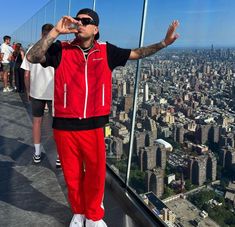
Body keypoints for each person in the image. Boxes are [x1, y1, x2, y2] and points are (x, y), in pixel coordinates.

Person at [26, 8, 179, 227]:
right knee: (72, 174)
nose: (79, 23)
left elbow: (137, 53)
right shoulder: (61, 49)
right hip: (64, 125)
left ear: (95, 28)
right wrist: (55, 33)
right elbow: (32, 56)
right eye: (77, 20)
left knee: (96, 175)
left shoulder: (106, 51)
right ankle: (78, 213)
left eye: (85, 21)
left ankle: (94, 216)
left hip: (94, 125)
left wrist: (164, 43)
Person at [21, 24, 61, 168]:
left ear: (41, 34)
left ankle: (37, 153)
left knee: (37, 122)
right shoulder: (57, 50)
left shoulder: (32, 49)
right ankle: (59, 157)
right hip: (54, 93)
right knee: (56, 125)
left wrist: (28, 91)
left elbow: (26, 74)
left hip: (36, 92)